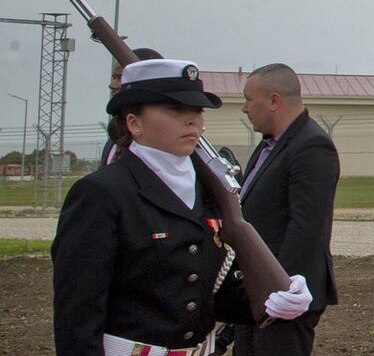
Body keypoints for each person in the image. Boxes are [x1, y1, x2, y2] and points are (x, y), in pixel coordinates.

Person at [52, 58, 314, 356]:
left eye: (197, 110)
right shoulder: (102, 193)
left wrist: (276, 298)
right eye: (175, 109)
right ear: (133, 122)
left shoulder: (207, 191)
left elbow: (204, 292)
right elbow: (77, 316)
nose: (193, 120)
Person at [223, 63, 341, 355]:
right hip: (256, 291)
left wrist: (275, 288)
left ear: (274, 100)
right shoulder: (270, 146)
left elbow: (305, 228)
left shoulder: (312, 147)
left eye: (249, 100)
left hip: (285, 297)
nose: (244, 109)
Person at [98, 47, 163, 168]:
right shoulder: (114, 141)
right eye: (114, 78)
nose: (112, 85)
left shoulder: (163, 144)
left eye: (120, 78)